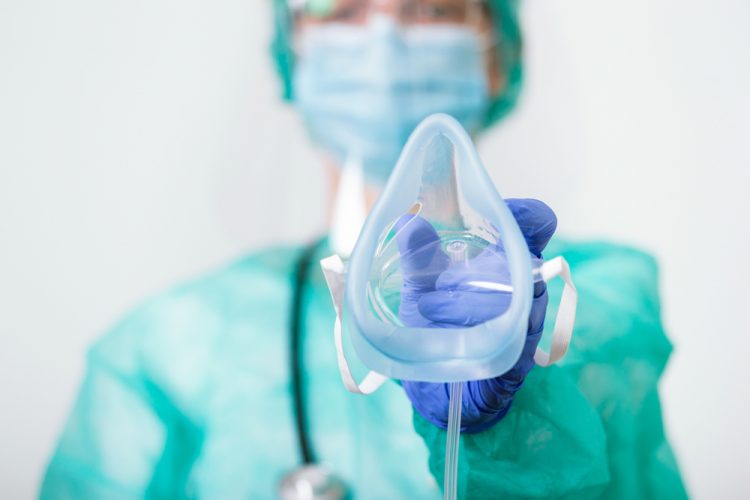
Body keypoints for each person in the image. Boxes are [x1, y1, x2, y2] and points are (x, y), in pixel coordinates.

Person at [40, 1, 688, 498]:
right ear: (292, 55)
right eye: (344, 10)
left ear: (498, 57)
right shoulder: (175, 347)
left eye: (432, 7)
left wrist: (508, 428)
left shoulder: (590, 311)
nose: (385, 40)